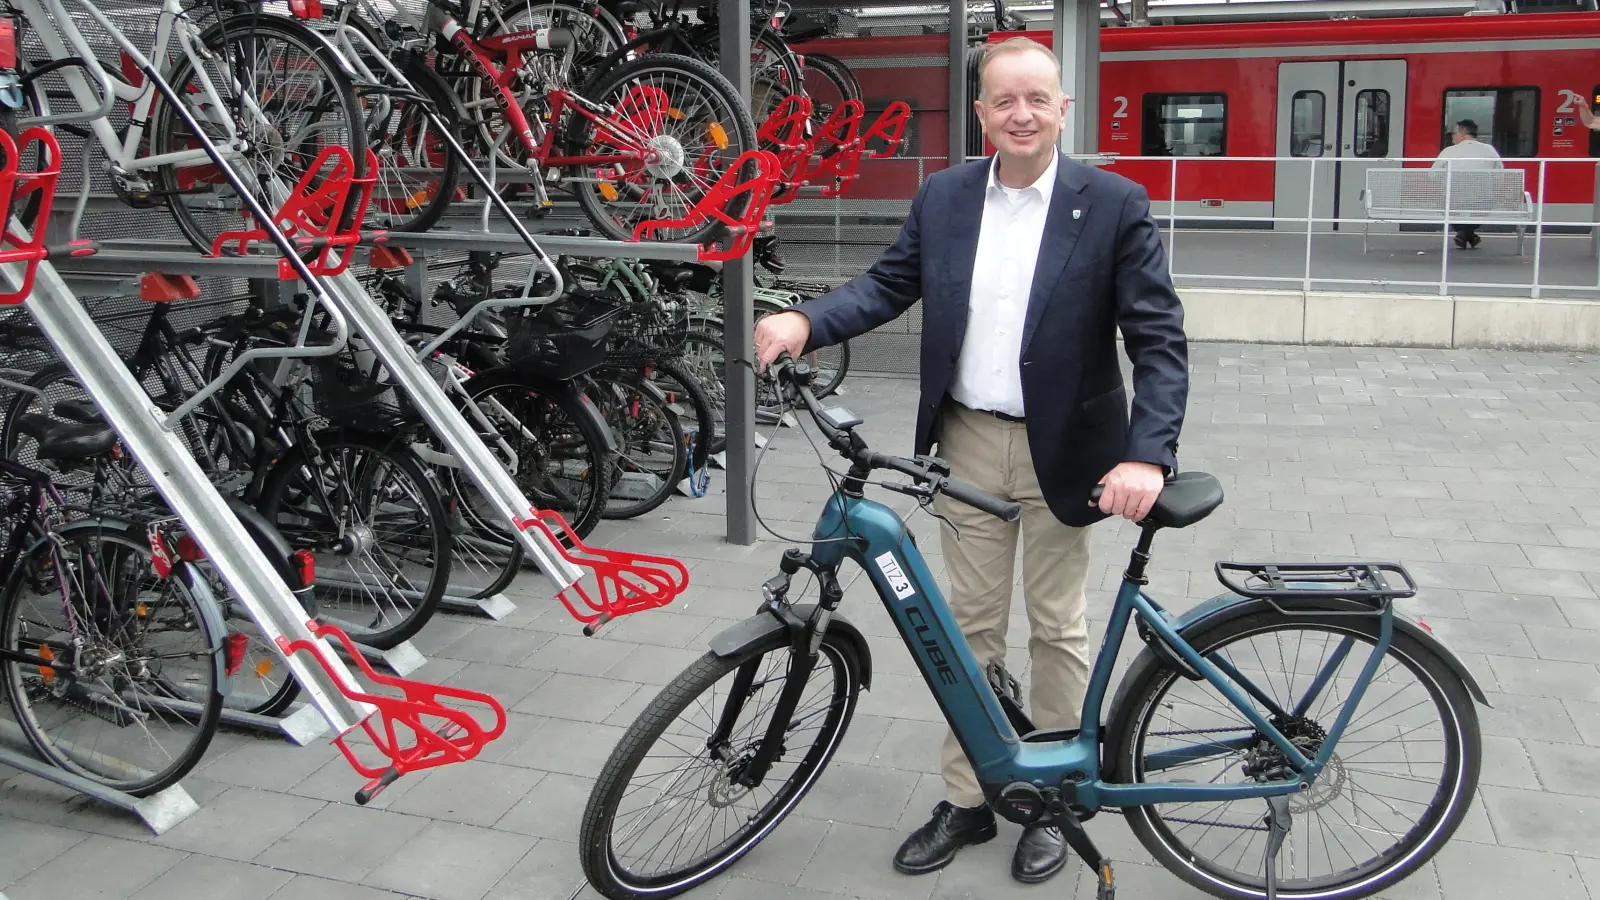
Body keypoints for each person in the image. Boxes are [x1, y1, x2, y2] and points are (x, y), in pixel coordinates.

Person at [752, 36, 1189, 886]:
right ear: (981, 114)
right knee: (963, 630)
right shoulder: (947, 196)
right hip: (966, 441)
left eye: (1037, 97)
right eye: (1002, 100)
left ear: (1064, 107)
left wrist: (1150, 455)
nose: (1020, 113)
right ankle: (969, 797)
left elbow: (1158, 340)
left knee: (1057, 624)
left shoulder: (1112, 202)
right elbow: (887, 284)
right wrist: (807, 319)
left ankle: (1054, 798)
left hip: (1072, 449)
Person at [1431, 119, 1503, 249]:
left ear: (1462, 133)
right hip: (1483, 202)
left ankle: (1463, 232)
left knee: (1444, 201)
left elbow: (1433, 175)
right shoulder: (1490, 150)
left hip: (1452, 201)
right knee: (1482, 202)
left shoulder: (1448, 151)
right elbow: (1499, 175)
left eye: (1453, 133)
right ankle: (1468, 233)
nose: (1452, 136)